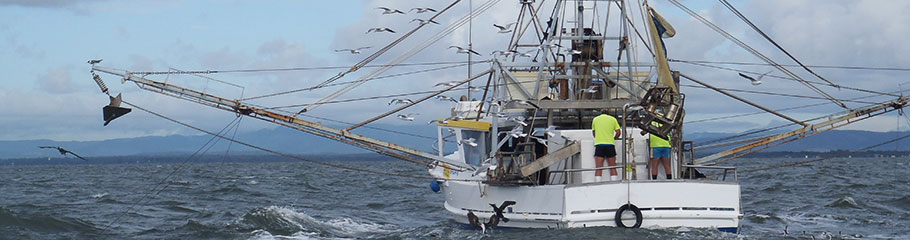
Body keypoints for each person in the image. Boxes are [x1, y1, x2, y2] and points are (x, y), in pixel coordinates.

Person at [592, 109, 621, 181]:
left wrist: (599, 137)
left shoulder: (595, 119)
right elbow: (618, 132)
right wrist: (614, 138)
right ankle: (614, 182)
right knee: (613, 167)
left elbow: (594, 132)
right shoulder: (613, 119)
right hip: (610, 145)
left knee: (599, 167)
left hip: (599, 144)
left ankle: (598, 183)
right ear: (608, 113)